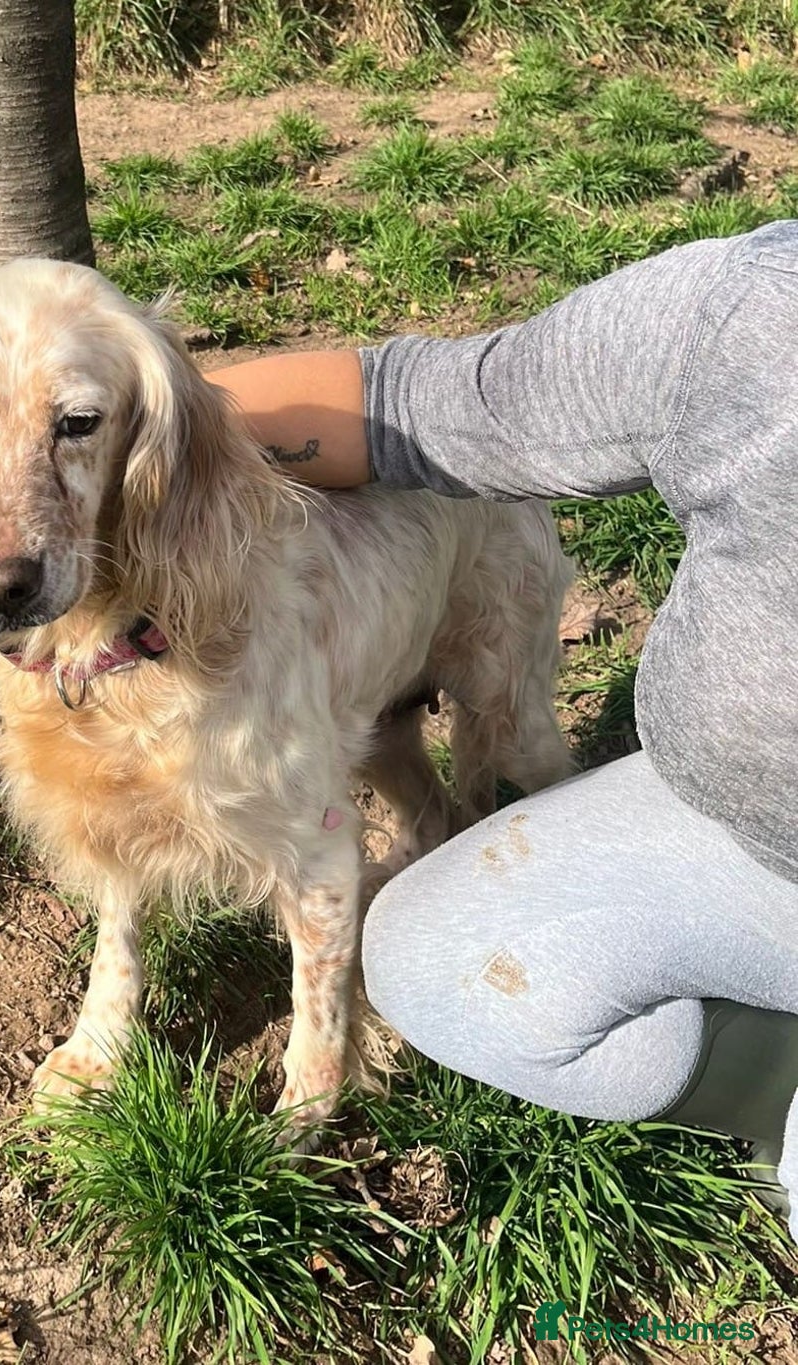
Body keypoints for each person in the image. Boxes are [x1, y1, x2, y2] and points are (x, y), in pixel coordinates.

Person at [208, 218, 798, 1240]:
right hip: (755, 853)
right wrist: (120, 410)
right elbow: (439, 405)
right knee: (430, 960)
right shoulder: (759, 308)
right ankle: (777, 1083)